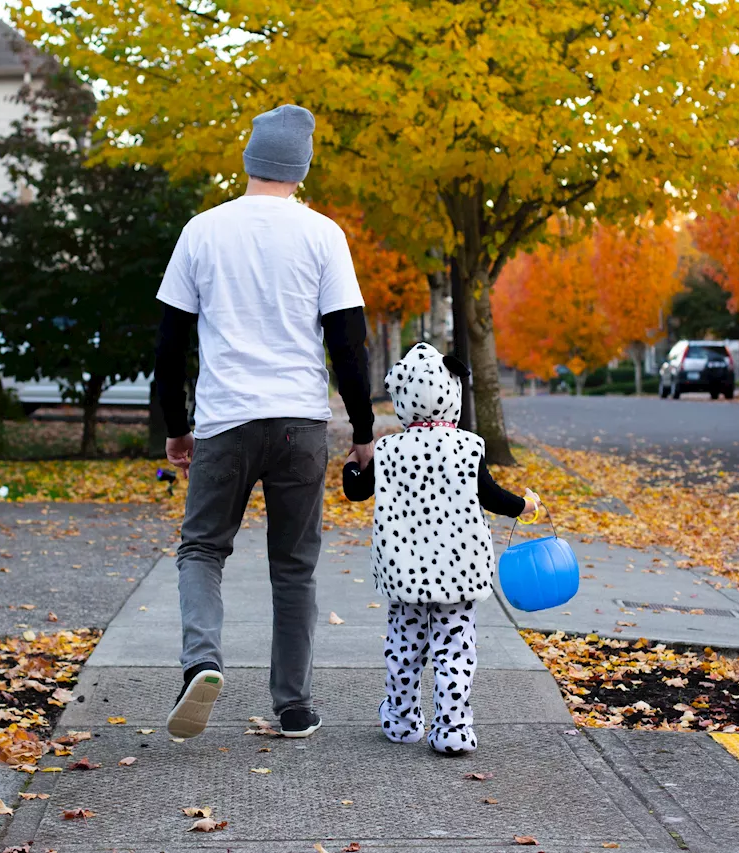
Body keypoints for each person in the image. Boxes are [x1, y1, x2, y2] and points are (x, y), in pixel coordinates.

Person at [154, 104, 375, 740]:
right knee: (294, 567)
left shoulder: (202, 230)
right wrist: (361, 433)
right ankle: (295, 705)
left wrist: (176, 426)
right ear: (301, 169)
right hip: (300, 426)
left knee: (201, 548)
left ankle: (202, 660)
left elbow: (169, 344)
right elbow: (349, 344)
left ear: (250, 159)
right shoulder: (323, 235)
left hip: (224, 422)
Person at [342, 343, 538, 754]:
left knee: (404, 646)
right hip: (458, 571)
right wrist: (526, 505)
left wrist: (350, 465)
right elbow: (493, 496)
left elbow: (356, 491)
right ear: (452, 390)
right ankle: (452, 728)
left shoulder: (388, 450)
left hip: (404, 570)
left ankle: (400, 720)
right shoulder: (469, 446)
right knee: (455, 649)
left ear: (402, 397)